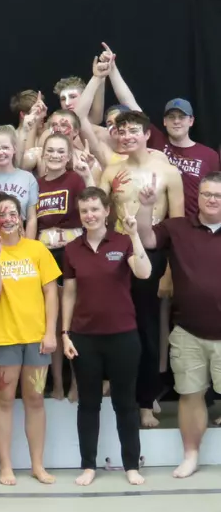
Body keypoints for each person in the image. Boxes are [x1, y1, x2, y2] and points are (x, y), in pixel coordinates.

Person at [97, 110, 183, 427]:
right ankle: (123, 395)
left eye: (134, 130)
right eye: (122, 131)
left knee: (146, 329)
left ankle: (146, 402)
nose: (127, 136)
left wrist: (171, 272)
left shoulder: (167, 172)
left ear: (147, 134)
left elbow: (176, 226)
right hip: (118, 255)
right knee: (118, 327)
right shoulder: (111, 171)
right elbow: (99, 213)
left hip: (153, 254)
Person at [61, 187, 151, 487]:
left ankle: (130, 465)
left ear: (106, 211)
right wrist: (65, 333)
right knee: (89, 404)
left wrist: (135, 234)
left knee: (125, 403)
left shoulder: (123, 242)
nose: (90, 215)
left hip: (123, 336)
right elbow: (69, 292)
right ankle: (88, 465)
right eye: (85, 210)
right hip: (85, 337)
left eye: (95, 209)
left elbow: (144, 272)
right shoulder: (72, 249)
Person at [136, 172, 221, 479]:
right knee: (190, 394)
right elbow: (146, 239)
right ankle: (191, 456)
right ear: (198, 196)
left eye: (218, 195)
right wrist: (145, 207)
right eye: (207, 194)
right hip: (188, 331)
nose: (212, 200)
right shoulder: (177, 227)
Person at [0, 193, 60, 486]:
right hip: (4, 338)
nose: (9, 219)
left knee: (36, 399)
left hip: (37, 339)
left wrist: (50, 332)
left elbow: (51, 292)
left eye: (14, 213)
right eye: (2, 214)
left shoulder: (38, 250)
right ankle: (5, 466)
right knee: (3, 400)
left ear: (21, 218)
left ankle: (37, 465)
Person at [35, 133, 91, 401]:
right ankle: (56, 382)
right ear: (42, 153)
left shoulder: (75, 180)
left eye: (61, 151)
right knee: (53, 323)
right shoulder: (36, 183)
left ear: (68, 156)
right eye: (51, 150)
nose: (55, 155)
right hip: (46, 257)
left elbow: (90, 211)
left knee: (71, 322)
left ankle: (77, 383)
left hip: (72, 254)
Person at [0, 125, 39, 238]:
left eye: (5, 147)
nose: (0, 152)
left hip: (18, 238)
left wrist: (30, 246)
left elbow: (31, 218)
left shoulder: (28, 178)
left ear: (14, 149)